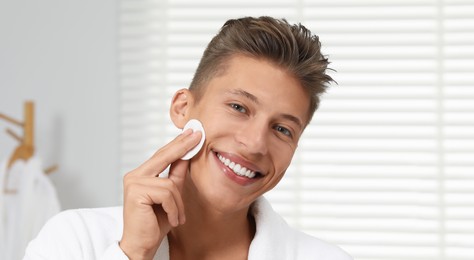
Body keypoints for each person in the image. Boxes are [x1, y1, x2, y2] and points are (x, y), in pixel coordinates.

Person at [24, 16, 352, 260]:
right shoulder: (75, 240)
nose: (254, 144)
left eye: (282, 129)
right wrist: (133, 252)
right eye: (238, 107)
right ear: (183, 107)